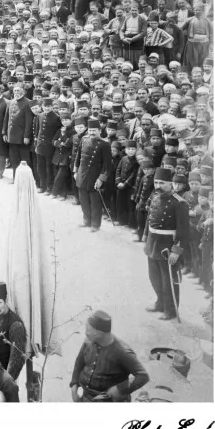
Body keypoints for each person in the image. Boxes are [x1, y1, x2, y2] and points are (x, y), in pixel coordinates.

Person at [69, 311, 149, 402]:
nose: (86, 334)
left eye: (88, 331)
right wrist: (74, 387)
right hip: (86, 396)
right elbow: (79, 362)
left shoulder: (123, 352)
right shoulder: (89, 341)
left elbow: (143, 376)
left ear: (99, 334)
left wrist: (120, 389)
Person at [144, 167, 190, 321]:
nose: (158, 186)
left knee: (168, 281)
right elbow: (150, 219)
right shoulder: (155, 196)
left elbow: (183, 231)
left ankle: (170, 311)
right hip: (153, 243)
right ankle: (160, 303)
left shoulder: (179, 203)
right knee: (154, 278)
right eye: (156, 182)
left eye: (162, 183)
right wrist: (146, 238)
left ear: (170, 183)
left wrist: (176, 251)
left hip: (167, 246)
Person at [0, 281, 27, 382]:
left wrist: (5, 385)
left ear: (6, 300)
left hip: (3, 382)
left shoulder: (16, 325)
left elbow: (16, 363)